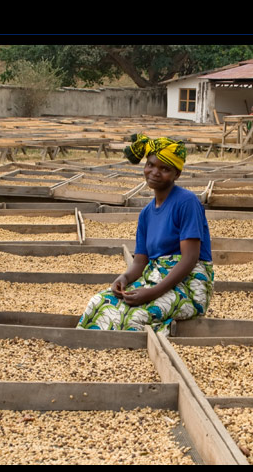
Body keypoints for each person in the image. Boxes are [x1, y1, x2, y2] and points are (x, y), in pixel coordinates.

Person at [76, 134, 214, 332]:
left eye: (164, 169)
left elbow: (190, 259)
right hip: (154, 279)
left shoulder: (186, 202)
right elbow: (140, 263)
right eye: (150, 165)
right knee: (98, 302)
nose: (155, 172)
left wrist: (151, 293)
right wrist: (123, 279)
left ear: (177, 174)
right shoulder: (146, 214)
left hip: (189, 287)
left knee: (134, 316)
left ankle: (138, 352)